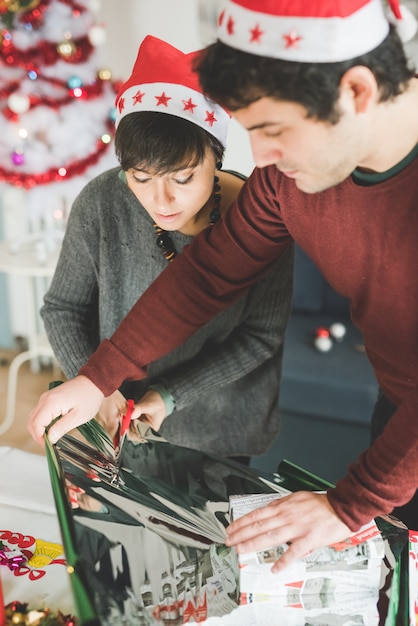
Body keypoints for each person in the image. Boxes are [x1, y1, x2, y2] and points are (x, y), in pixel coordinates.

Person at [28, 0, 418, 571]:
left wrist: (352, 501)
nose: (258, 159)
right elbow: (207, 276)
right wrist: (97, 377)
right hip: (398, 409)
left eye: (272, 129)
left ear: (356, 91)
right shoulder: (283, 180)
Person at [38, 34, 294, 461]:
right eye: (141, 178)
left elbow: (261, 336)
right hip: (112, 416)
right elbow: (63, 308)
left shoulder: (263, 218)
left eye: (182, 178)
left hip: (220, 427)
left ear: (216, 156)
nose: (161, 201)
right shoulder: (102, 203)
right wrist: (98, 385)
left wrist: (171, 395)